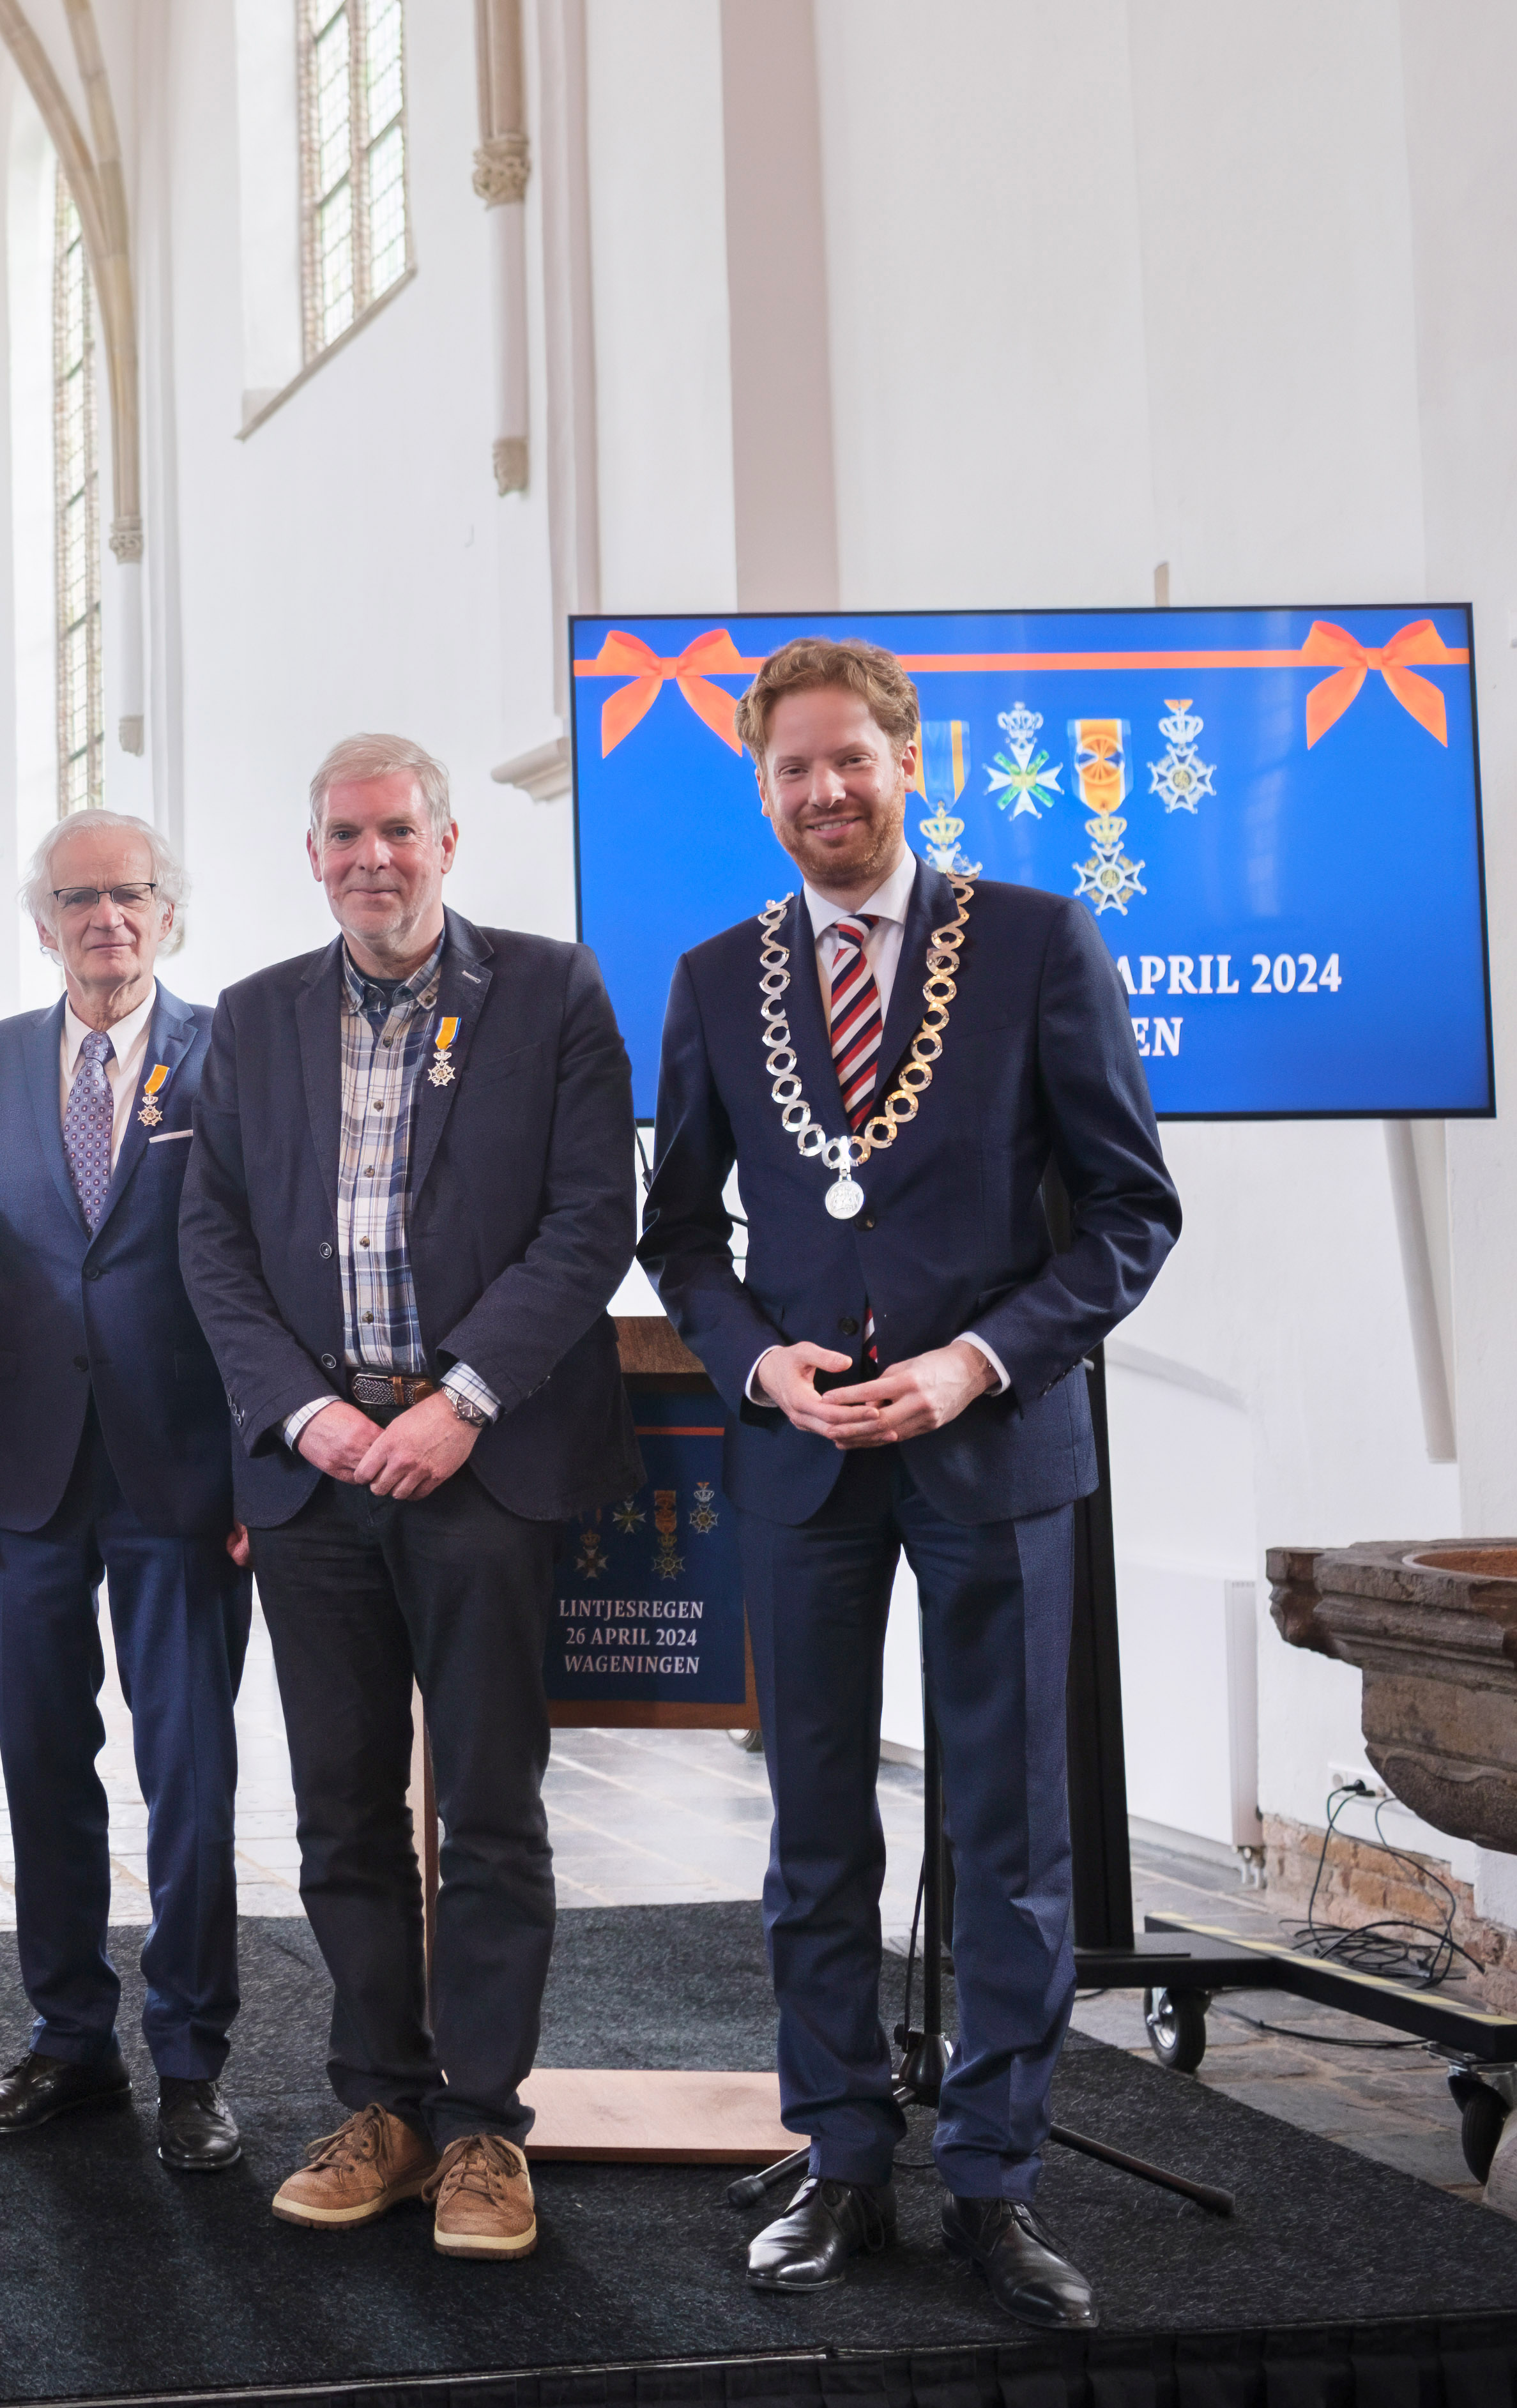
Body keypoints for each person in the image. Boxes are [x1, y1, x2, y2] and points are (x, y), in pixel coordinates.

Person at [640, 637, 1179, 2331]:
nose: (821, 792)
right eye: (790, 768)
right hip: (803, 1461)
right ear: (762, 785)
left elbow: (1127, 1217)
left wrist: (973, 1360)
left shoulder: (1032, 941)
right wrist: (755, 1358)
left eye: (848, 760)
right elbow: (678, 1234)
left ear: (905, 757)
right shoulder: (717, 974)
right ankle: (845, 2157)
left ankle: (999, 2184)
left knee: (1010, 1831)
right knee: (810, 1825)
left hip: (993, 1443)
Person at [180, 735, 639, 2260]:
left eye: (397, 831)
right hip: (316, 1481)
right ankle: (380, 2102)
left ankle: (483, 2125)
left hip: (479, 1464)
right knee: (338, 1814)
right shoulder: (248, 1021)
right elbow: (213, 1244)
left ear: (446, 844)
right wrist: (306, 1414)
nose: (370, 857)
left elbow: (590, 1222)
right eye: (342, 835)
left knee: (490, 1811)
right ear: (309, 856)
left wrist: (460, 1401)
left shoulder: (551, 993)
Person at [0, 810, 253, 2172]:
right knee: (46, 1772)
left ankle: (189, 2058)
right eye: (76, 900)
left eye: (128, 896)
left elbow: (261, 1267)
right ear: (39, 922)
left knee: (190, 1775)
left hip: (182, 1474)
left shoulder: (230, 1052)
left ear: (167, 912)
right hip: (23, 1479)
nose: (103, 919)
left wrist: (254, 1460)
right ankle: (67, 2040)